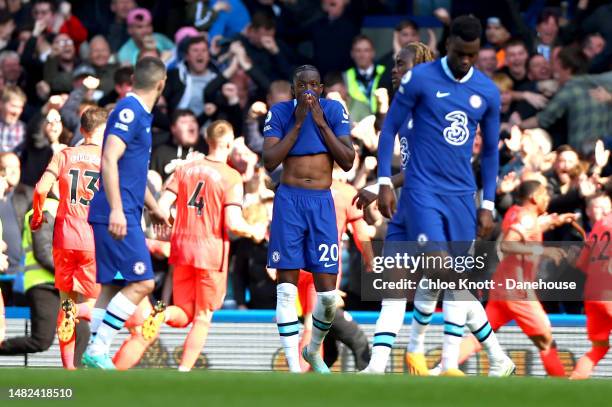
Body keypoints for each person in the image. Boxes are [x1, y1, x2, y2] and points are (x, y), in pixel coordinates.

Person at [372, 15, 514, 376]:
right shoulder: (411, 97)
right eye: (394, 65)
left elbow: (485, 153)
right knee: (405, 282)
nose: (394, 70)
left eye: (400, 64)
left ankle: (476, 357)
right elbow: (398, 148)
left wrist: (486, 201)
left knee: (442, 277)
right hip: (415, 201)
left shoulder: (473, 93)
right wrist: (381, 182)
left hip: (456, 197)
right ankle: (382, 365)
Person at [122, 120, 266, 372]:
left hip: (182, 250)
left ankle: (161, 314)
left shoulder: (185, 169)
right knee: (203, 316)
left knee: (184, 314)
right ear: (229, 143)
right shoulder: (231, 176)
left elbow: (162, 207)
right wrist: (254, 231)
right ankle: (184, 372)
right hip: (211, 253)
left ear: (207, 141)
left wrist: (175, 222)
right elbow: (233, 222)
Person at [263, 64, 354, 373]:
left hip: (321, 203)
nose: (308, 91)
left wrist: (320, 124)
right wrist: (299, 124)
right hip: (289, 202)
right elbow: (269, 160)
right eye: (302, 86)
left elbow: (347, 160)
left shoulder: (333, 111)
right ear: (294, 89)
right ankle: (293, 366)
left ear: (322, 88)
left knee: (328, 296)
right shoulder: (279, 113)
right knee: (286, 288)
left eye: (314, 85)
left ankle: (313, 349)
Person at [82, 57, 169, 369]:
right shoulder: (129, 111)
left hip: (123, 210)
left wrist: (155, 206)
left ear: (135, 78)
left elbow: (132, 170)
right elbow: (108, 159)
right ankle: (99, 347)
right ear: (162, 84)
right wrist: (118, 209)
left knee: (111, 287)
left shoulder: (139, 114)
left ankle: (94, 351)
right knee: (143, 282)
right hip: (116, 212)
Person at [454, 180, 573, 377]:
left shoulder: (515, 212)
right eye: (544, 194)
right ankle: (564, 386)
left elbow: (527, 229)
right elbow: (507, 245)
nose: (547, 199)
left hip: (502, 287)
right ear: (534, 197)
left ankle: (442, 367)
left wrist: (554, 221)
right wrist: (543, 250)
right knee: (546, 340)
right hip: (518, 291)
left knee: (480, 336)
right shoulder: (527, 217)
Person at [30, 107, 109, 369]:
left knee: (66, 301)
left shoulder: (64, 154)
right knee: (94, 305)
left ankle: (68, 368)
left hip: (63, 235)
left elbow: (42, 188)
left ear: (82, 130)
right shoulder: (108, 158)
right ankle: (86, 350)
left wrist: (38, 215)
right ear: (102, 129)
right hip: (93, 238)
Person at [571, 191, 612, 379]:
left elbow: (581, 264)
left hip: (592, 295)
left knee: (599, 348)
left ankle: (574, 382)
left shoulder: (596, 229)